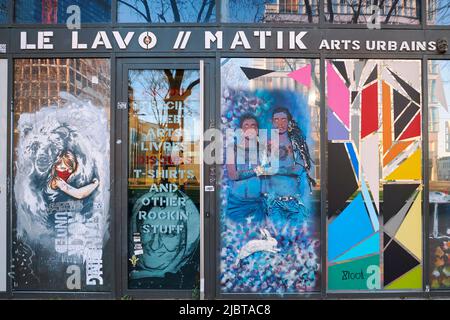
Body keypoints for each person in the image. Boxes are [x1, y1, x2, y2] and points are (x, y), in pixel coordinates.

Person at [257, 107, 315, 237]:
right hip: (274, 204)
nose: (280, 124)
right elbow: (262, 171)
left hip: (295, 203)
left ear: (289, 121)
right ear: (272, 122)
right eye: (276, 120)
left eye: (283, 120)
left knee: (297, 242)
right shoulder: (266, 144)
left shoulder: (296, 142)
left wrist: (274, 169)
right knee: (278, 242)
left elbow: (298, 169)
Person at [226, 113, 266, 225]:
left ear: (257, 130)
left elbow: (268, 171)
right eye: (246, 126)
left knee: (258, 239)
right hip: (236, 204)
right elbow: (233, 175)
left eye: (253, 126)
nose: (250, 129)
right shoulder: (232, 148)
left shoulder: (263, 150)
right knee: (235, 239)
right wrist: (256, 171)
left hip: (257, 203)